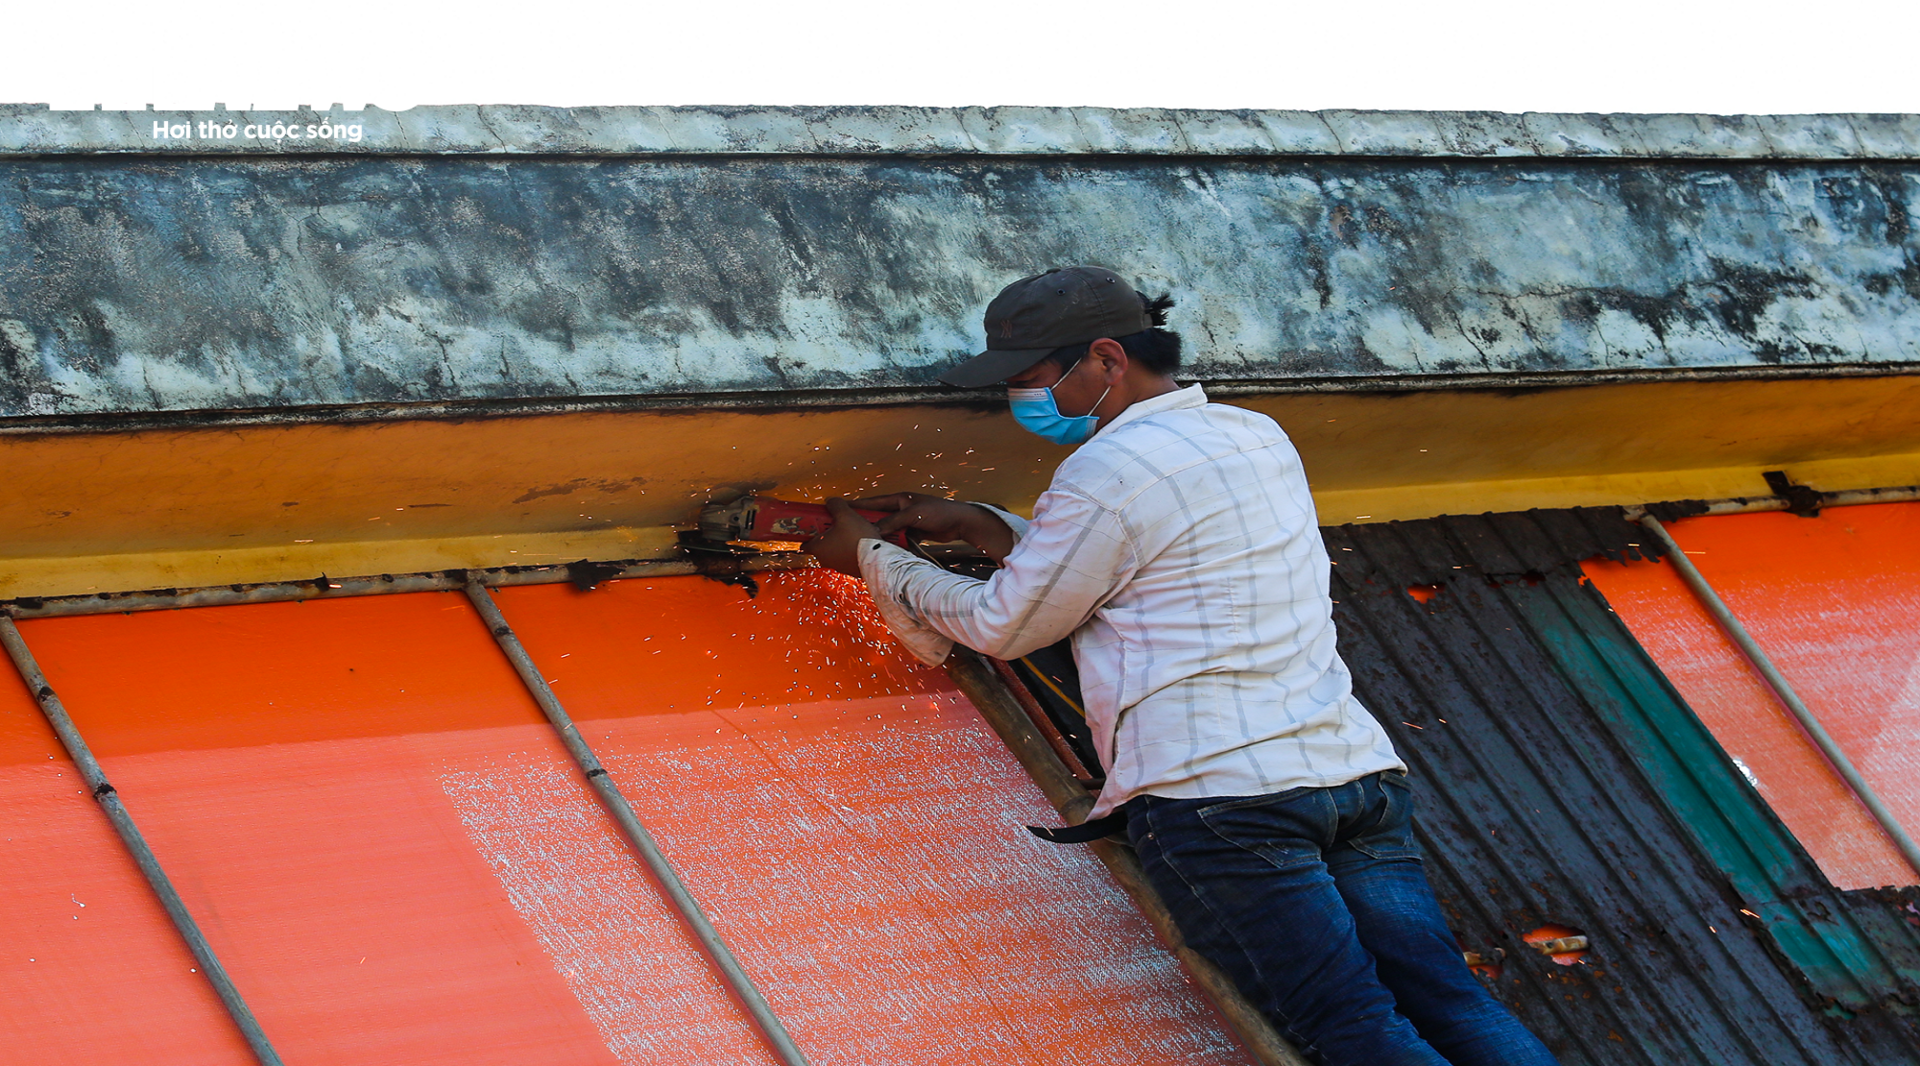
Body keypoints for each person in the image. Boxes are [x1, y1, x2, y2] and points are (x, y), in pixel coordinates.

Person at [801, 266, 1558, 1066]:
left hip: (1225, 799)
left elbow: (1007, 621)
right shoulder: (1254, 434)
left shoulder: (1101, 475)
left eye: (1031, 382)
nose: (1024, 403)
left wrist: (875, 561)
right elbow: (1152, 567)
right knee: (1450, 1000)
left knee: (1351, 1024)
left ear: (1104, 360)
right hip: (1354, 778)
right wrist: (987, 523)